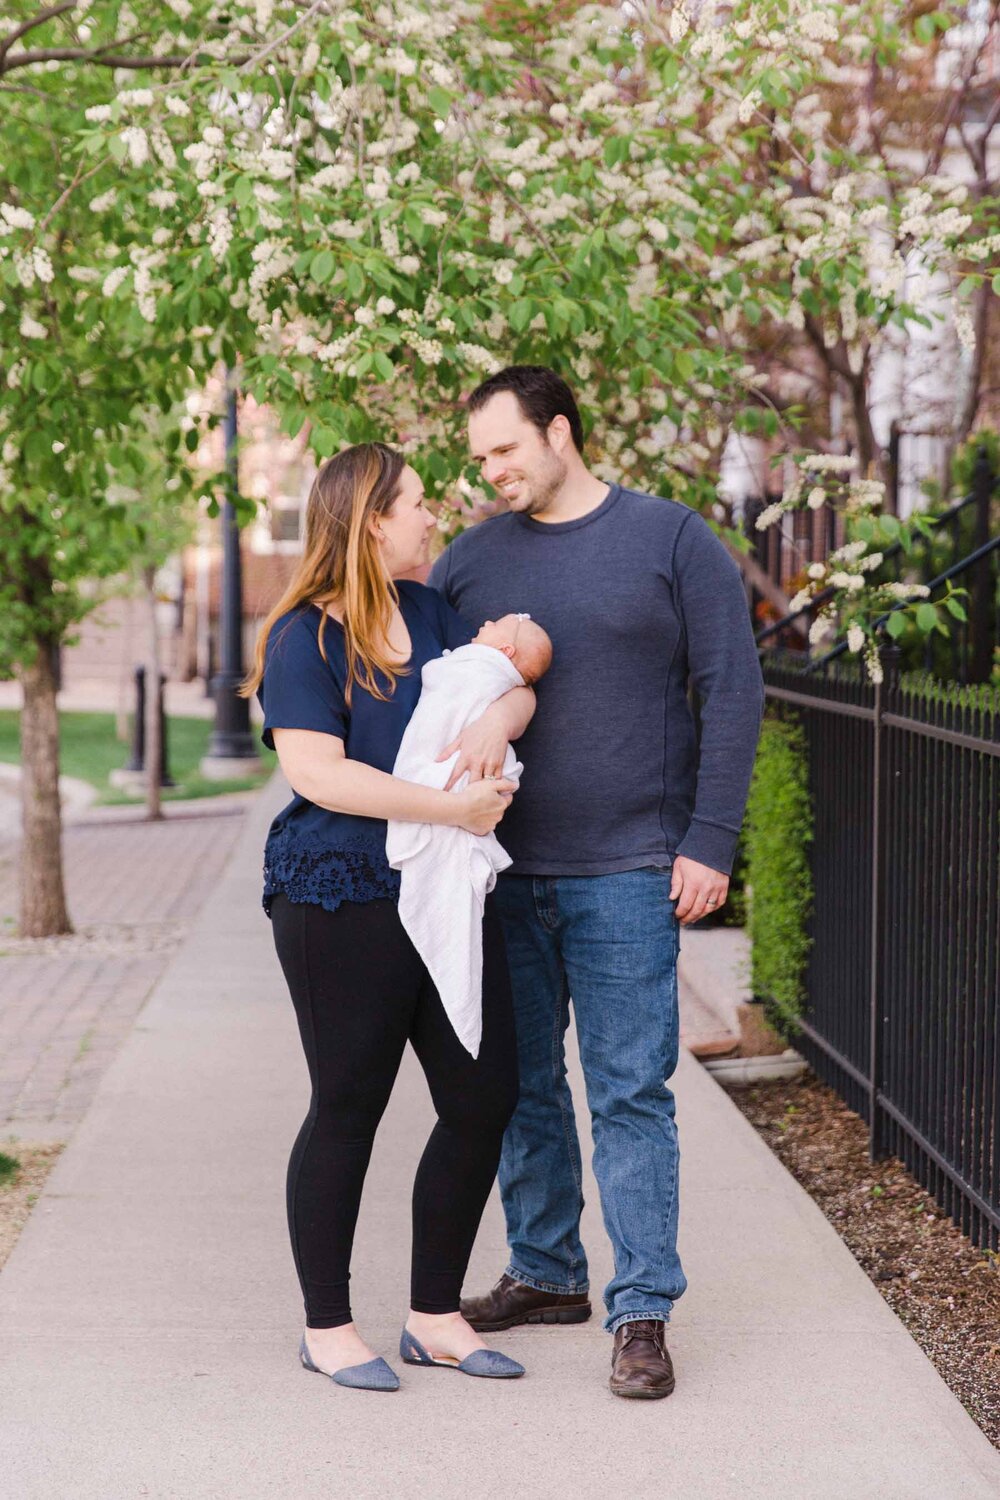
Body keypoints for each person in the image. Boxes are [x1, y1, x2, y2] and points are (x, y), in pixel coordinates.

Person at [429, 366, 765, 1400]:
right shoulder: (469, 563)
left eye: (504, 450)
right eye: (478, 457)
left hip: (626, 868)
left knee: (628, 1092)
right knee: (522, 1091)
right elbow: (430, 699)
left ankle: (642, 1309)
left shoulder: (668, 539)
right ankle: (546, 1272)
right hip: (498, 872)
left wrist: (708, 840)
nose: (489, 473)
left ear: (559, 433)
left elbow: (733, 685)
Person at [243, 442, 534, 1391]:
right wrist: (451, 808)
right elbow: (316, 774)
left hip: (442, 889)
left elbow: (505, 679)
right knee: (349, 1105)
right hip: (338, 895)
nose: (431, 515)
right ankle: (328, 1327)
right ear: (372, 518)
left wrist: (502, 718)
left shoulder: (430, 610)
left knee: (484, 1094)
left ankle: (434, 1315)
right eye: (415, 503)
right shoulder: (304, 636)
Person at [387, 614, 554, 1058]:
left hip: (458, 782)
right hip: (437, 793)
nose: (483, 622)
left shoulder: (479, 667)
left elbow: (491, 685)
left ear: (506, 654)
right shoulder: (472, 654)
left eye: (497, 624)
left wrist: (496, 721)